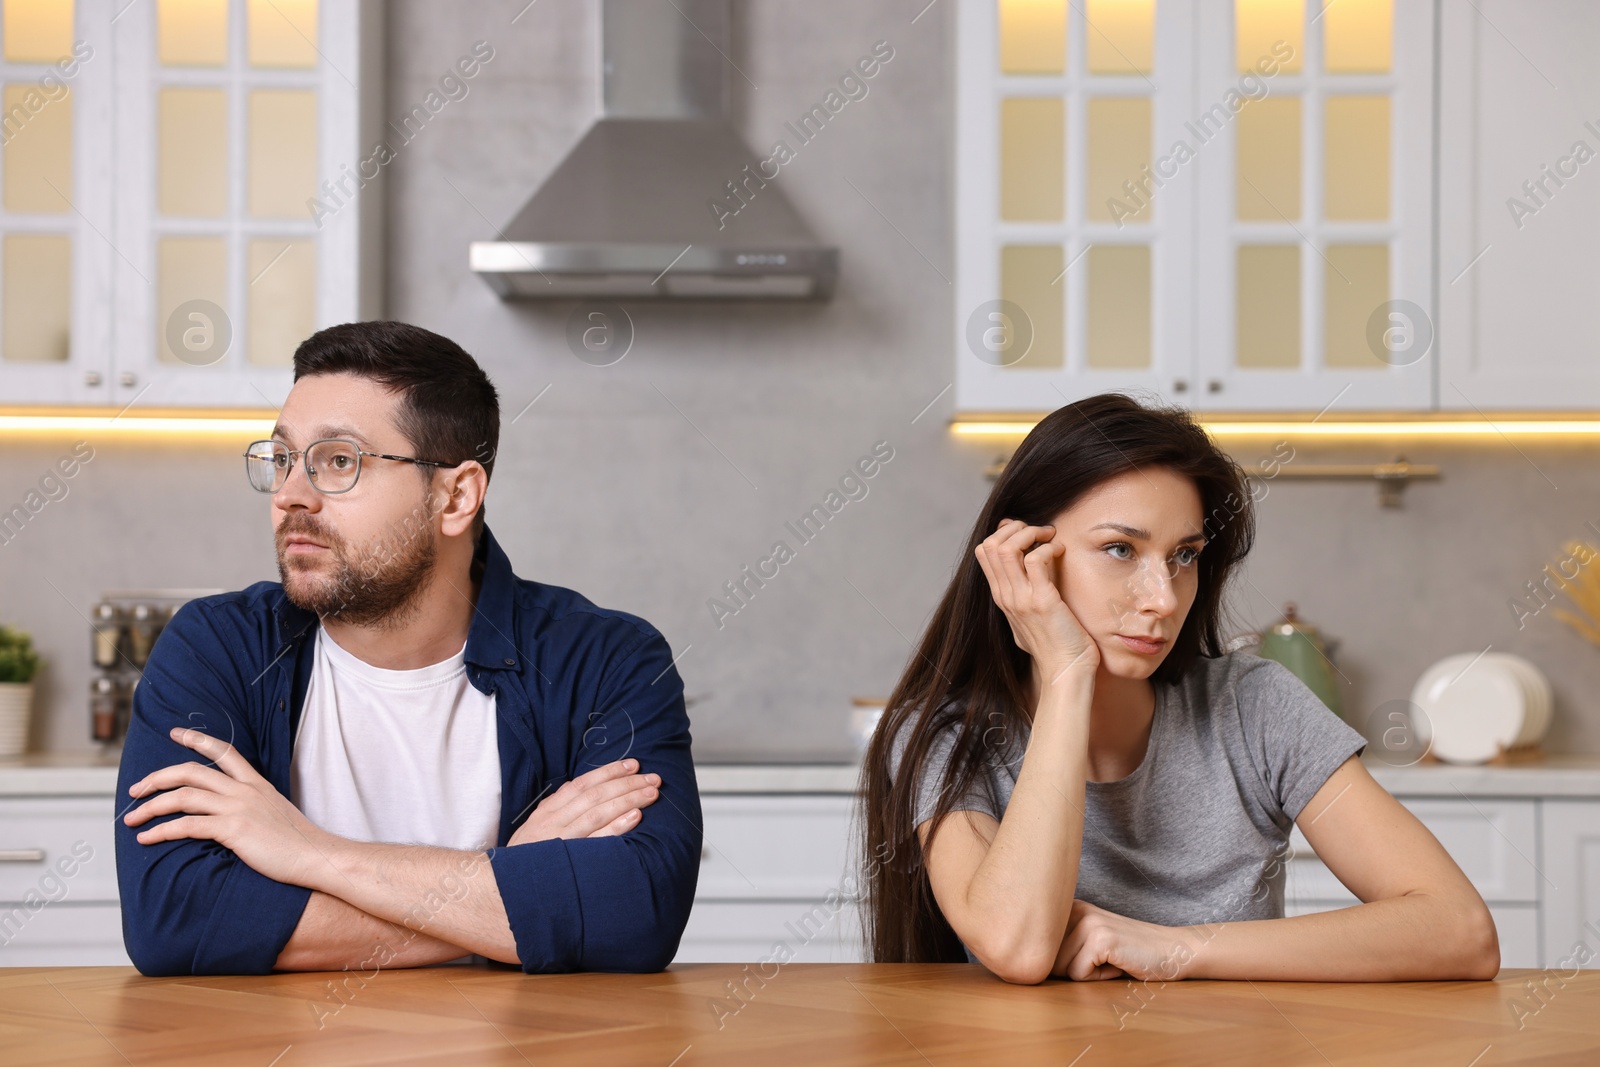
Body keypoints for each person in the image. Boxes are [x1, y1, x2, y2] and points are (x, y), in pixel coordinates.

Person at [115, 321, 701, 976]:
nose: (290, 496)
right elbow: (175, 921)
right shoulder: (216, 649)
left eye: (339, 461)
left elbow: (634, 915)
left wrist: (309, 852)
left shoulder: (608, 660)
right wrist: (504, 881)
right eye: (282, 459)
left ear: (455, 496)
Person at [860, 393, 1498, 984]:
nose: (1163, 599)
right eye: (1119, 549)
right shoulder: (946, 735)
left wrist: (1175, 949)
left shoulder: (1252, 708)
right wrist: (1066, 676)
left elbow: (1460, 931)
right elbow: (1018, 945)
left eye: (1184, 555)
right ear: (1023, 557)